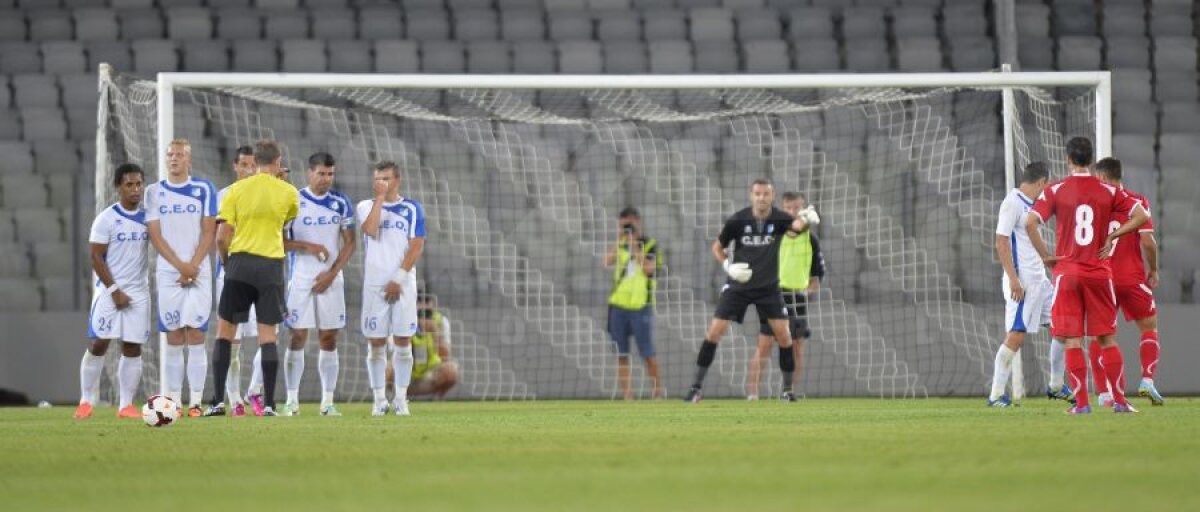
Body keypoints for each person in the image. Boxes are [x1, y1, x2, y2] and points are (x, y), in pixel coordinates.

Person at [1026, 137, 1149, 414]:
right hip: (1099, 274)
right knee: (1107, 339)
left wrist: (1046, 256)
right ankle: (1120, 402)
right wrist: (1114, 235)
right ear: (1092, 161)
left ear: (1068, 159)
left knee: (1072, 340)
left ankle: (1082, 404)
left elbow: (1030, 222)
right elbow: (1141, 215)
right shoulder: (1108, 189)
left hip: (1067, 273)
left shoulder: (1055, 190)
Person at [684, 179, 819, 403]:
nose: (761, 198)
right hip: (739, 285)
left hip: (768, 288)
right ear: (751, 195)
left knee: (785, 336)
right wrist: (727, 266)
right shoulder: (738, 220)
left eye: (766, 194)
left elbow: (795, 230)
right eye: (758, 194)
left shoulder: (779, 218)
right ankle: (695, 388)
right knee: (714, 332)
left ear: (772, 196)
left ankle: (787, 391)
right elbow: (717, 247)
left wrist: (807, 220)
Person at [207, 140, 299, 417]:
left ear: (255, 162)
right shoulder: (290, 192)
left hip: (240, 265)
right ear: (278, 161)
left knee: (225, 333)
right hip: (270, 266)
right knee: (267, 336)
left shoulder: (235, 190)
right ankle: (269, 404)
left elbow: (221, 237)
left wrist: (228, 264)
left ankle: (218, 402)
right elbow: (285, 222)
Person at [986, 162, 1070, 407]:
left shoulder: (1031, 206)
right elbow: (1001, 242)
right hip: (1022, 282)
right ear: (1042, 182)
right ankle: (996, 395)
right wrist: (1014, 280)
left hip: (1039, 281)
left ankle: (1056, 386)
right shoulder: (1012, 202)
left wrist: (1047, 259)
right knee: (1016, 336)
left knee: (1063, 326)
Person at [144, 138, 217, 417]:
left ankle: (196, 402)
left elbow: (209, 231)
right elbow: (155, 235)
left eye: (179, 154)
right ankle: (173, 402)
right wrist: (180, 267)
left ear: (189, 159)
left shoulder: (204, 189)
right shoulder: (153, 192)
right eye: (170, 154)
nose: (174, 158)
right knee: (174, 335)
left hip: (199, 269)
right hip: (169, 271)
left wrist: (192, 266)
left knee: (196, 333)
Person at [280, 152, 356, 416]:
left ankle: (327, 402)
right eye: (321, 173)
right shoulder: (293, 201)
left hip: (331, 279)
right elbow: (279, 242)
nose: (326, 179)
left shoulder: (340, 202)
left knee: (329, 337)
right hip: (300, 278)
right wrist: (308, 246)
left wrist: (331, 274)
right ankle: (291, 400)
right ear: (310, 173)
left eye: (330, 174)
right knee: (298, 335)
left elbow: (351, 243)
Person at [75, 164, 150, 420]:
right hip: (109, 290)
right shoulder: (106, 218)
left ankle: (126, 405)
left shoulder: (148, 218)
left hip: (138, 292)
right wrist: (115, 290)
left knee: (132, 346)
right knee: (99, 343)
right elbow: (96, 257)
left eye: (139, 184)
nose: (135, 189)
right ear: (118, 187)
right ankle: (86, 401)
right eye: (129, 184)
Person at [1091, 157, 1164, 406]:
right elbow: (1148, 242)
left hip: (1102, 279)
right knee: (1149, 328)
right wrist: (1153, 269)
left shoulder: (1093, 203)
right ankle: (1147, 381)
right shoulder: (1137, 202)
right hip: (1131, 278)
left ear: (1102, 177)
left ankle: (1105, 393)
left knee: (1100, 336)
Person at [357, 161, 426, 416]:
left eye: (386, 179)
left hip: (403, 283)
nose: (381, 183)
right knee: (376, 342)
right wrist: (379, 199)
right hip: (374, 285)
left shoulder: (412, 208)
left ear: (397, 180)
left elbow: (416, 246)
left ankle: (400, 398)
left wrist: (398, 278)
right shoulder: (365, 206)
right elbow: (370, 231)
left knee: (403, 340)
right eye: (377, 178)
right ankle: (378, 400)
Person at [746, 192, 825, 401]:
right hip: (773, 294)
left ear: (803, 209)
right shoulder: (774, 234)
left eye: (797, 208)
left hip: (797, 298)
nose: (792, 212)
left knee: (797, 347)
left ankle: (788, 391)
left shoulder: (811, 240)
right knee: (764, 345)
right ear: (782, 209)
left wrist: (808, 291)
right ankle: (753, 394)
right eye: (788, 208)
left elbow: (816, 276)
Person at [208, 145, 258, 417]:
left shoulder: (265, 194)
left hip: (261, 274)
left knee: (268, 337)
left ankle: (255, 392)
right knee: (233, 341)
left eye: (253, 165)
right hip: (232, 274)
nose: (249, 170)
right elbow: (220, 238)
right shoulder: (223, 196)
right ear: (235, 166)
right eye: (245, 165)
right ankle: (234, 398)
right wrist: (229, 268)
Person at [603, 207, 663, 400]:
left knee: (647, 353)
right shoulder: (620, 245)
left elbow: (648, 269)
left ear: (638, 221)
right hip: (618, 306)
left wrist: (635, 245)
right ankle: (627, 396)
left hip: (640, 306)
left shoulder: (651, 245)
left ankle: (657, 393)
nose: (628, 227)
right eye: (624, 224)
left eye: (630, 223)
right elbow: (607, 262)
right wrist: (619, 239)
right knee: (621, 354)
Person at [408, 292, 459, 398]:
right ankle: (398, 398)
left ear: (432, 304)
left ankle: (436, 399)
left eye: (426, 301)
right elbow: (394, 352)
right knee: (388, 370)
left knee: (451, 370)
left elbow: (445, 357)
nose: (423, 305)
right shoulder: (404, 319)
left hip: (430, 374)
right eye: (419, 301)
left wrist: (435, 332)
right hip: (407, 374)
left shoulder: (441, 321)